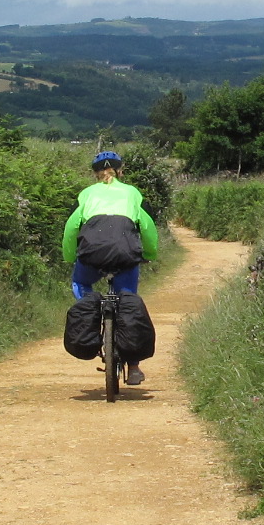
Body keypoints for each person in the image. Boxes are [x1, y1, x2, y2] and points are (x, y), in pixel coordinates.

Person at [60, 150, 160, 384]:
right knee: (127, 301)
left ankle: (91, 316)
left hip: (91, 253)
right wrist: (149, 253)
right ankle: (134, 367)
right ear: (121, 171)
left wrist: (69, 256)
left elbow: (72, 227)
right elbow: (146, 226)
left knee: (81, 282)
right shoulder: (131, 192)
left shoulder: (87, 194)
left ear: (95, 174)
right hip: (125, 252)